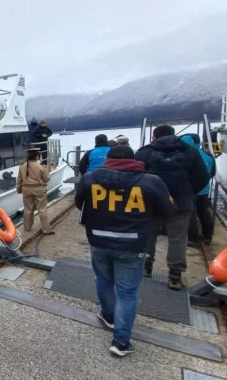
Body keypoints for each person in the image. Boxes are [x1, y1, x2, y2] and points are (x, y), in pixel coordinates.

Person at [75, 146, 176, 357]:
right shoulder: (151, 181)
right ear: (135, 160)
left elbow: (79, 204)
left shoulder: (89, 179)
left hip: (98, 241)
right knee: (127, 292)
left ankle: (109, 316)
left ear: (108, 160)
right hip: (132, 245)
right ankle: (121, 341)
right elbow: (168, 210)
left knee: (102, 280)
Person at [135, 125, 210, 290]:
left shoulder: (145, 152)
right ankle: (175, 275)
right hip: (180, 203)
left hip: (151, 202)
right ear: (174, 135)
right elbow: (203, 176)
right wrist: (189, 192)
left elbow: (134, 177)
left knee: (148, 234)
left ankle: (145, 267)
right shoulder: (190, 151)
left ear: (154, 136)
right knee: (178, 238)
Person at [181, 134, 216, 244]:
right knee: (203, 211)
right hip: (204, 189)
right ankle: (207, 235)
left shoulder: (184, 155)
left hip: (190, 189)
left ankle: (193, 238)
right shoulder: (208, 155)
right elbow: (212, 173)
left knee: (190, 213)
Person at [16, 148, 54, 234]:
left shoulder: (22, 166)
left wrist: (19, 190)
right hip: (39, 190)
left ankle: (27, 228)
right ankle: (46, 229)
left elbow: (19, 180)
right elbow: (47, 179)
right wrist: (47, 171)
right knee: (42, 209)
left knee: (28, 209)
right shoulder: (40, 166)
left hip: (26, 190)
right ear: (37, 155)